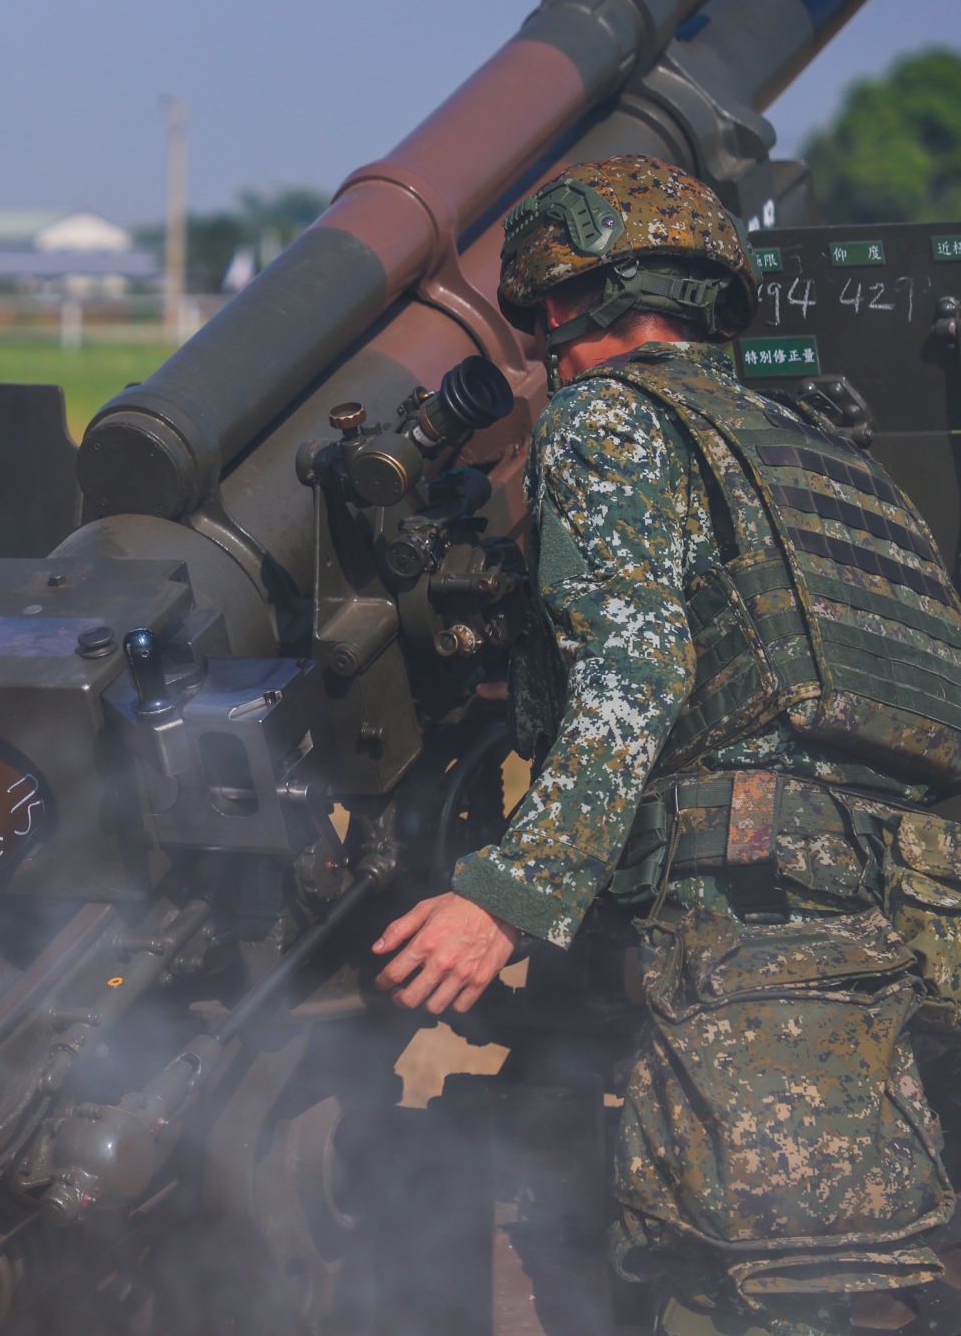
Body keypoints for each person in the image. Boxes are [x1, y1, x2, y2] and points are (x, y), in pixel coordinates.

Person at [373, 154, 961, 1336]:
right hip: (922, 924)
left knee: (750, 1304)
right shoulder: (841, 462)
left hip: (767, 945)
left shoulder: (611, 419)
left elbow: (636, 670)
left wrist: (508, 895)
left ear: (559, 305)